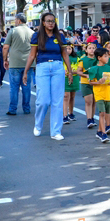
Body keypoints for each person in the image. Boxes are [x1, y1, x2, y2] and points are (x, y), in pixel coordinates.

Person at [25, 12, 73, 140]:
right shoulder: (37, 36)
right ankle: (38, 125)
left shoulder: (60, 36)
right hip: (42, 67)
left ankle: (56, 131)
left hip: (58, 67)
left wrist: (69, 71)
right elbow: (32, 55)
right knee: (43, 101)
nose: (51, 23)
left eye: (53, 21)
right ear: (43, 22)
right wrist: (25, 71)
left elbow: (65, 54)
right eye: (48, 21)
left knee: (57, 101)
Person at [87, 47, 110, 143]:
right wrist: (98, 82)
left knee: (107, 113)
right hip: (99, 94)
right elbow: (90, 82)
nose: (107, 58)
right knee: (102, 113)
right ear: (99, 58)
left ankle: (99, 131)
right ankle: (103, 133)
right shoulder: (94, 69)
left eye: (108, 56)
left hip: (108, 93)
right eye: (105, 56)